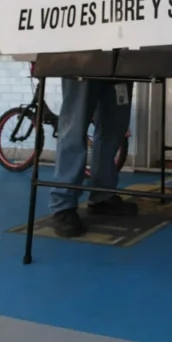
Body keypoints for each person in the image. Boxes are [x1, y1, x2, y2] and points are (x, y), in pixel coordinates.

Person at [50, 79, 137, 237]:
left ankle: (103, 195)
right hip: (81, 67)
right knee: (74, 127)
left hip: (121, 69)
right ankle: (63, 205)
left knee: (114, 129)